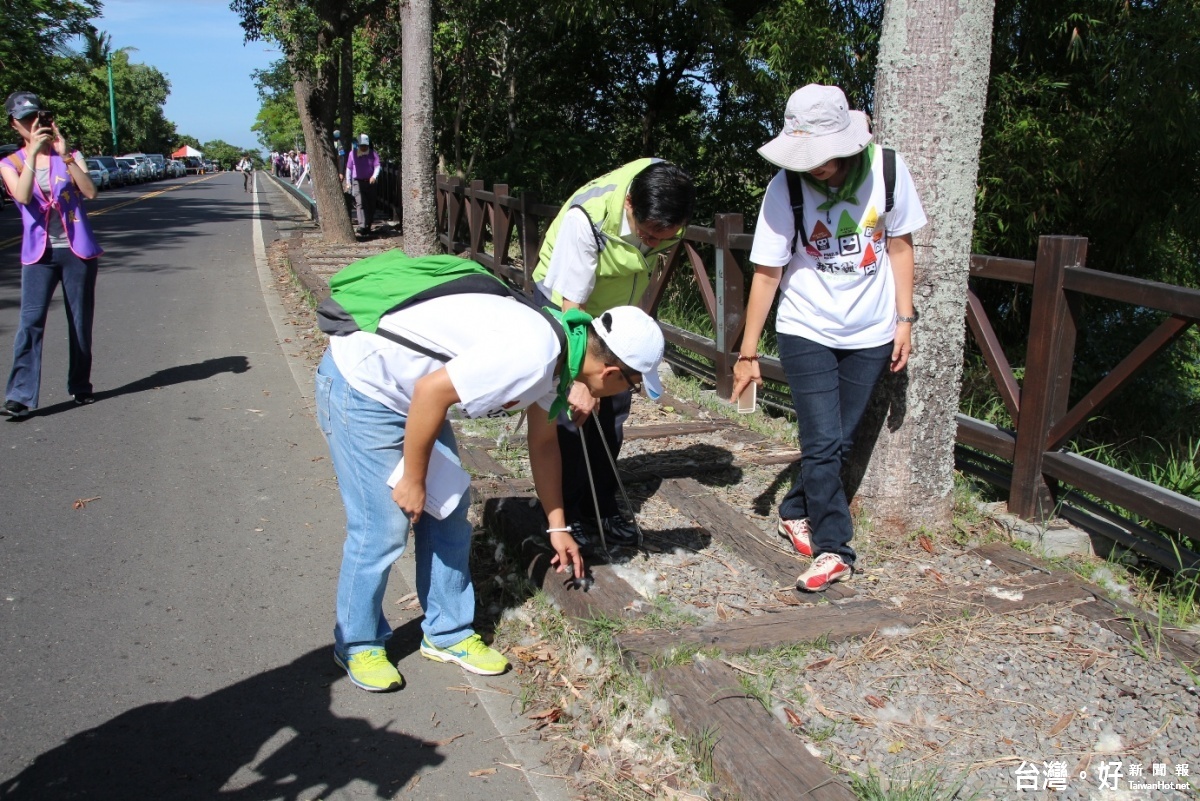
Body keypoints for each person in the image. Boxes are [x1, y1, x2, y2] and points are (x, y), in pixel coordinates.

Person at [315, 252, 665, 692]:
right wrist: (413, 480)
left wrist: (558, 526)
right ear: (611, 371)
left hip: (415, 395)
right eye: (631, 385)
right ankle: (358, 641)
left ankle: (448, 632)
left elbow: (542, 443)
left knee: (449, 513)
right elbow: (431, 392)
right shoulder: (535, 356)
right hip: (365, 386)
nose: (625, 393)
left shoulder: (564, 352)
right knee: (381, 526)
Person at [731, 84, 927, 592]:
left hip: (872, 329)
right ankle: (834, 548)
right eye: (804, 154)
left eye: (820, 153)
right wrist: (747, 351)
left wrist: (905, 320)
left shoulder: (886, 170)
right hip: (806, 326)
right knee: (820, 442)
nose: (812, 165)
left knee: (837, 442)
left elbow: (900, 247)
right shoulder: (786, 188)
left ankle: (794, 509)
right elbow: (767, 272)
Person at [531, 159, 694, 549]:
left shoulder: (667, 206)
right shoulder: (586, 220)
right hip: (568, 311)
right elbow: (572, 311)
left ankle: (599, 506)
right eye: (649, 235)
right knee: (573, 416)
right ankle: (565, 515)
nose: (655, 244)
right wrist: (575, 379)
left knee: (614, 409)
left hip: (616, 319)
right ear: (629, 206)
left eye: (664, 237)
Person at [0, 91, 103, 420]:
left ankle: (80, 385)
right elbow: (21, 194)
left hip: (78, 252)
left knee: (79, 321)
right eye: (27, 120)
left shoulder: (69, 155)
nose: (35, 124)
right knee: (30, 323)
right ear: (15, 125)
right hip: (39, 255)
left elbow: (90, 192)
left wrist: (66, 156)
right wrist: (33, 153)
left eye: (39, 118)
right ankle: (20, 396)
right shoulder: (10, 163)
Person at [343, 134, 380, 235]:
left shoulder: (373, 154)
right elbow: (349, 168)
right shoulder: (352, 154)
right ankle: (362, 225)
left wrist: (374, 176)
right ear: (358, 145)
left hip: (370, 182)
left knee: (371, 204)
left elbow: (377, 166)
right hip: (357, 181)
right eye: (361, 145)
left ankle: (368, 224)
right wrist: (348, 181)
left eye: (365, 145)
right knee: (360, 203)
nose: (363, 147)